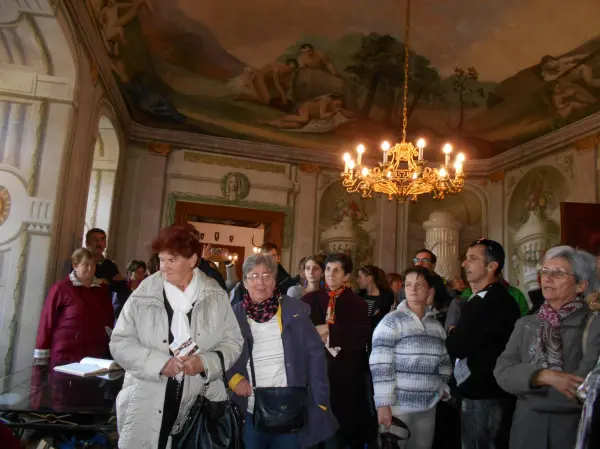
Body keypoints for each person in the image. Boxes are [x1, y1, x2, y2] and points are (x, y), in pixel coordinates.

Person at [110, 224, 243, 449]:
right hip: (146, 402)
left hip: (199, 408)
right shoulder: (144, 294)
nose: (164, 266)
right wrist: (159, 363)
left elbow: (233, 342)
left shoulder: (215, 295)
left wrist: (205, 362)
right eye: (162, 259)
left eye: (172, 260)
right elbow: (120, 343)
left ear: (192, 260)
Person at [226, 254, 338, 449]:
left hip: (290, 408)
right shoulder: (234, 314)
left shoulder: (294, 311)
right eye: (254, 276)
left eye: (267, 276)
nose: (261, 282)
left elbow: (315, 357)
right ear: (245, 282)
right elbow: (224, 351)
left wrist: (320, 399)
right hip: (251, 409)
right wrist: (234, 378)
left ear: (274, 280)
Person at [494, 246, 600, 449]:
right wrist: (543, 376)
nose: (547, 278)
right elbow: (502, 371)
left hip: (570, 430)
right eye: (544, 271)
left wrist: (526, 388)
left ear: (580, 285)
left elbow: (583, 388)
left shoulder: (593, 325)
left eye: (558, 273)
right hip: (525, 429)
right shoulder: (526, 324)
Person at [445, 238, 520, 449]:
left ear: (491, 266)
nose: (464, 264)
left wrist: (453, 332)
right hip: (486, 392)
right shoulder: (487, 299)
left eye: (472, 259)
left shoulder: (490, 301)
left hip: (483, 394)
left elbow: (458, 346)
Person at [371, 266, 452, 449]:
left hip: (428, 408)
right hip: (397, 409)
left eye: (419, 284)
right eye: (408, 284)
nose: (413, 289)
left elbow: (444, 362)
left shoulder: (436, 326)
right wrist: (383, 404)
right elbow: (380, 365)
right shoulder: (391, 321)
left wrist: (442, 388)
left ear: (430, 291)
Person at [302, 253, 371, 448]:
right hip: (314, 375)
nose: (330, 274)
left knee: (337, 435)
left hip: (344, 376)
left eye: (337, 270)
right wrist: (318, 332)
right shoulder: (309, 299)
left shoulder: (358, 303)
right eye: (328, 269)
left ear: (347, 276)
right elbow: (299, 332)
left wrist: (329, 331)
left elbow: (360, 336)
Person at [34, 248, 113, 367]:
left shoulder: (102, 289)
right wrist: (41, 358)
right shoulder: (61, 288)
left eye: (93, 265)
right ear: (75, 265)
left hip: (94, 357)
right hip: (65, 355)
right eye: (86, 265)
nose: (90, 269)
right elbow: (47, 322)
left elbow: (109, 318)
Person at [231, 243, 296, 305]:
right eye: (266, 257)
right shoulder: (248, 281)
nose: (270, 260)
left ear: (278, 258)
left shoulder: (288, 282)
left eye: (273, 256)